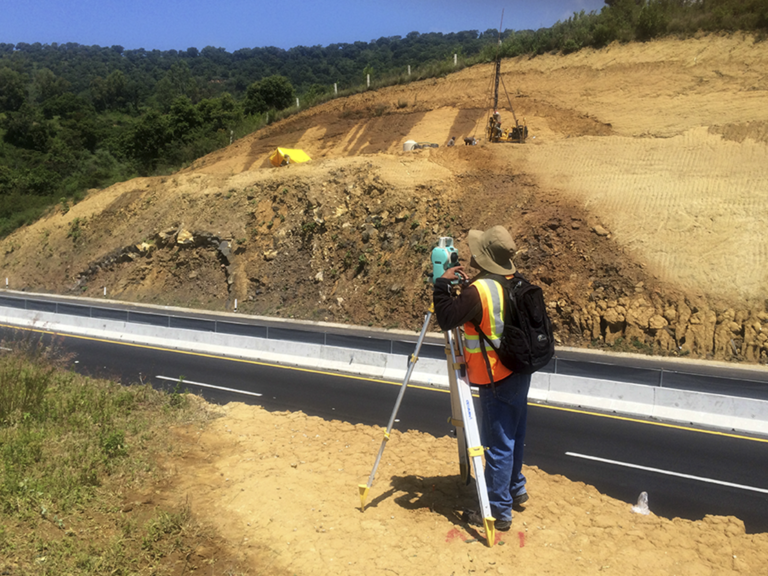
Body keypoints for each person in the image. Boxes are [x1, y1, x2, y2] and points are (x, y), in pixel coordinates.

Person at [432, 225, 531, 532]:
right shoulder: (513, 281)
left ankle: (498, 511)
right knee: (513, 437)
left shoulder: (480, 291)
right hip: (518, 370)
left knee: (498, 445)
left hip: (495, 376)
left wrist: (440, 286)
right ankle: (516, 488)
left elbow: (447, 318)